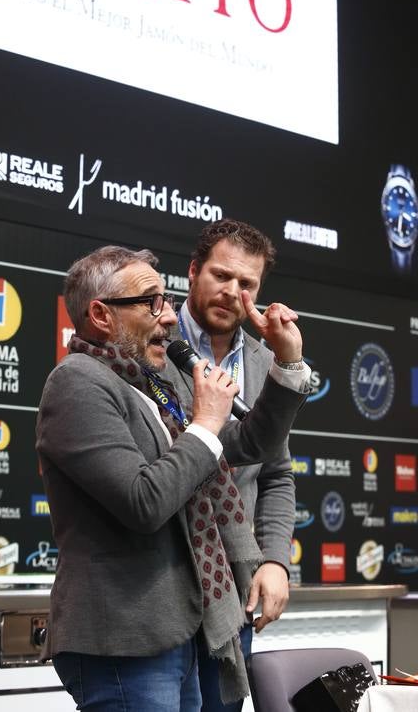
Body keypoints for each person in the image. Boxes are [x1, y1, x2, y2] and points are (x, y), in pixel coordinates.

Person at [36, 245, 308, 711]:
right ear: (101, 315)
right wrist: (205, 424)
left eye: (165, 301)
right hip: (125, 638)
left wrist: (287, 363)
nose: (167, 318)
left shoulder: (148, 383)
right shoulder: (76, 382)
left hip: (176, 630)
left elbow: (250, 446)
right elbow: (143, 502)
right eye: (152, 303)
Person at [168, 218, 309, 712]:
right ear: (192, 271)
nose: (232, 292)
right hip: (163, 578)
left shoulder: (261, 360)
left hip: (234, 587)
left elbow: (276, 472)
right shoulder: (154, 346)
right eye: (221, 276)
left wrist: (273, 558)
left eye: (246, 284)